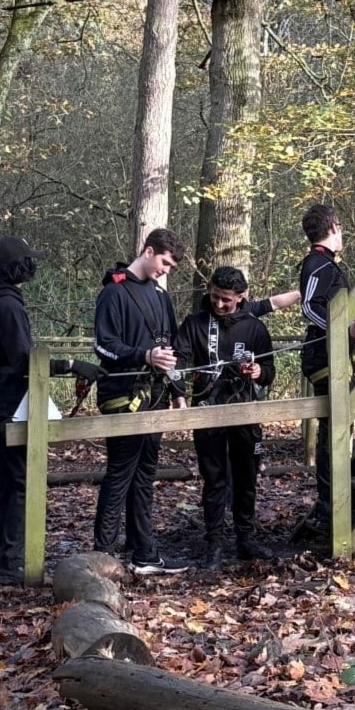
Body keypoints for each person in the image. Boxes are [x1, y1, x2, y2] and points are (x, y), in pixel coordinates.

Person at [92, 228, 188, 574]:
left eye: (171, 267)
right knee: (120, 473)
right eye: (164, 262)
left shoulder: (161, 298)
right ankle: (102, 555)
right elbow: (103, 345)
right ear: (148, 251)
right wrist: (144, 356)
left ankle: (142, 551)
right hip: (122, 396)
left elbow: (171, 351)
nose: (166, 270)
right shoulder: (114, 293)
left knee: (145, 474)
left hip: (156, 395)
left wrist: (177, 391)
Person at [175, 266, 278, 567]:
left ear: (241, 298)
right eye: (215, 297)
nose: (219, 305)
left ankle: (245, 538)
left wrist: (258, 372)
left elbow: (269, 371)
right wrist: (179, 392)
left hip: (245, 408)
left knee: (246, 475)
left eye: (227, 300)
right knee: (214, 478)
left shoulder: (254, 327)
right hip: (207, 408)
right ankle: (214, 543)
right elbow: (178, 359)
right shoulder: (194, 323)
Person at [298, 204, 355, 538]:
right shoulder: (318, 264)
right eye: (341, 228)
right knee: (333, 435)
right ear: (333, 227)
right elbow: (309, 305)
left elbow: (335, 308)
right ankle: (331, 508)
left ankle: (334, 505)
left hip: (336, 360)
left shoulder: (328, 266)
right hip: (324, 360)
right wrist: (340, 330)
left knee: (338, 434)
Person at [0, 236, 44, 586]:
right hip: (9, 403)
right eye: (27, 261)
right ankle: (11, 563)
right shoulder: (6, 306)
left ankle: (8, 559)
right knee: (15, 485)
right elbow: (22, 360)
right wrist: (68, 364)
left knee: (4, 483)